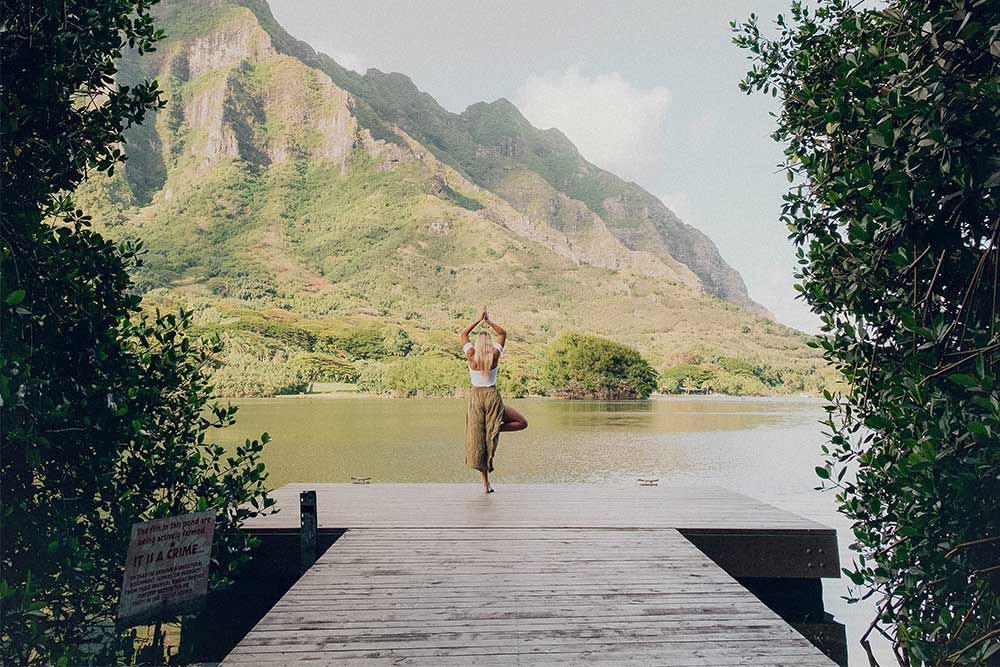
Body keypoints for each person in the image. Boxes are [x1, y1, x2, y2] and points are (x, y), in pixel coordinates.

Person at [460, 306, 527, 494]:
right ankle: (495, 428)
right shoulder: (495, 355)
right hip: (491, 396)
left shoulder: (471, 355)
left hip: (476, 398)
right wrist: (488, 321)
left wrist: (477, 320)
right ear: (488, 343)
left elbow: (464, 333)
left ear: (477, 343)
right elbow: (503, 333)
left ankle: (485, 484)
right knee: (522, 423)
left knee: (479, 440)